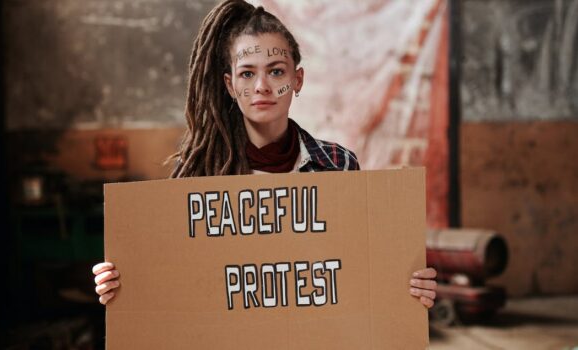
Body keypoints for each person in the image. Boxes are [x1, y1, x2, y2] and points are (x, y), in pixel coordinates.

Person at [92, 0, 437, 309]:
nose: (262, 87)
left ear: (297, 80)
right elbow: (173, 278)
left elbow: (361, 268)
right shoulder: (200, 173)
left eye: (276, 71)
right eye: (247, 73)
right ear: (230, 86)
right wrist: (123, 284)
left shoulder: (339, 166)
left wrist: (407, 285)